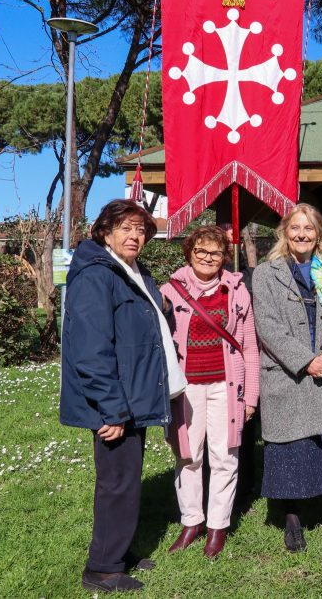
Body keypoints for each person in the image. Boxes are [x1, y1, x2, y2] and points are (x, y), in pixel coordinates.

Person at [60, 199, 179, 593]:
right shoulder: (96, 275)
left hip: (134, 396)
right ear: (105, 232)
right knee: (116, 483)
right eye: (126, 228)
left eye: (141, 230)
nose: (135, 236)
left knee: (127, 481)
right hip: (116, 403)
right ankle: (102, 569)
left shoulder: (131, 271)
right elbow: (90, 351)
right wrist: (111, 411)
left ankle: (119, 551)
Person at [251, 203, 322, 550]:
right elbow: (268, 327)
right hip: (288, 375)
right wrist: (305, 360)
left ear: (319, 235)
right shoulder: (267, 273)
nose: (302, 234)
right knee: (289, 452)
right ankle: (293, 522)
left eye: (309, 229)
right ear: (284, 232)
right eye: (295, 228)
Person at [160, 226, 260, 558]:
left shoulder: (236, 291)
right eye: (201, 251)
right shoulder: (170, 292)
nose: (207, 258)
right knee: (188, 455)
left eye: (215, 253)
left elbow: (249, 347)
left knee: (224, 456)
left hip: (225, 386)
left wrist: (251, 397)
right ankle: (191, 521)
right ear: (189, 252)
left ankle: (218, 525)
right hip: (185, 388)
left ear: (223, 257)